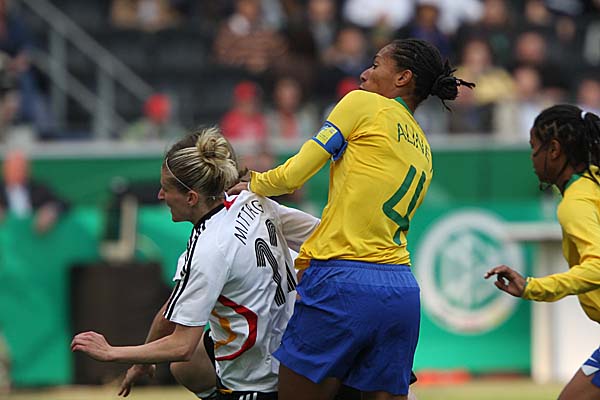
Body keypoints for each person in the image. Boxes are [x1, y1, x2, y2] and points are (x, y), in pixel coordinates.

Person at [229, 38, 474, 400]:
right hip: (401, 290)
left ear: (403, 77)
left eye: (375, 65)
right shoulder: (424, 146)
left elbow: (293, 176)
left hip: (342, 280)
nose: (364, 73)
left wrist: (253, 181)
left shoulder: (362, 103)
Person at [71, 127, 320, 399]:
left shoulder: (208, 249)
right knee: (186, 368)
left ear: (191, 197)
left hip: (258, 379)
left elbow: (182, 345)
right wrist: (142, 362)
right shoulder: (249, 198)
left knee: (186, 357)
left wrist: (111, 352)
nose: (160, 196)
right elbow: (318, 234)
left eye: (166, 189)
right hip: (296, 340)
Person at [485, 104, 600, 400]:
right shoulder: (594, 183)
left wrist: (532, 287)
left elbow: (598, 267)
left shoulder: (576, 203)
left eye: (533, 147)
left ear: (554, 150)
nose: (532, 157)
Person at [0, 150, 70, 233]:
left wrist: (51, 211)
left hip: (35, 235)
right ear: (4, 169)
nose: (17, 172)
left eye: (21, 168)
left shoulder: (39, 189)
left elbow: (64, 203)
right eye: (13, 168)